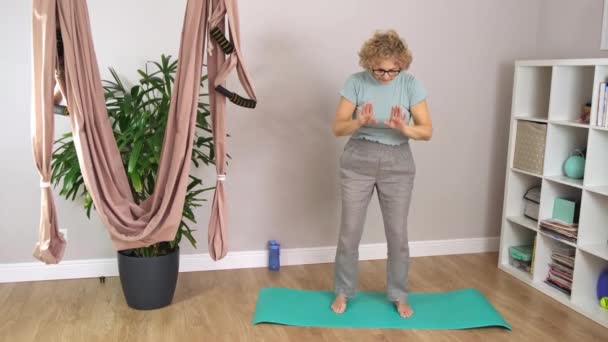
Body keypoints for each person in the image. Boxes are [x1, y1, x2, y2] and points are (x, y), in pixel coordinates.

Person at [330, 29, 433, 318]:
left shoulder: (411, 84)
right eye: (380, 70)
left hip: (398, 162)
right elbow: (337, 128)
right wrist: (358, 120)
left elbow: (426, 131)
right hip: (358, 158)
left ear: (402, 64)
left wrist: (404, 128)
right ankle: (343, 291)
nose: (386, 76)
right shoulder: (355, 83)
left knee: (398, 235)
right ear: (368, 62)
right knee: (350, 233)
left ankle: (399, 295)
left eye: (393, 71)